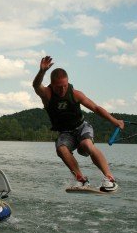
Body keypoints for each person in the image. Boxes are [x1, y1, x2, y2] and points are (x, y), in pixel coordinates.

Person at [32, 56, 124, 191]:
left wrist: (115, 121)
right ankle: (81, 179)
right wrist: (42, 72)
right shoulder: (47, 94)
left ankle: (110, 179)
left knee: (86, 145)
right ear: (52, 84)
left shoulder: (75, 94)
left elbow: (96, 108)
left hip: (82, 127)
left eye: (65, 85)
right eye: (59, 87)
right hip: (65, 133)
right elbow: (36, 85)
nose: (63, 89)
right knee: (61, 149)